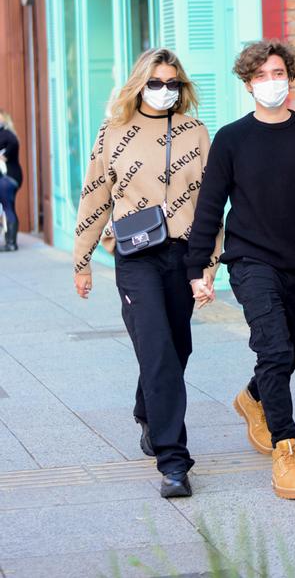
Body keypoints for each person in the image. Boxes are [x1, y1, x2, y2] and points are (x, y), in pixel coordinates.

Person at [185, 39, 295, 500]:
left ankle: (252, 397)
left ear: (290, 77)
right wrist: (198, 268)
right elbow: (209, 209)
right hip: (249, 261)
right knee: (276, 349)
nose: (271, 82)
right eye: (261, 76)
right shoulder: (231, 139)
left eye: (278, 73)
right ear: (247, 84)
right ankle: (286, 449)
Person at [73, 48, 222, 498]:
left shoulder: (196, 133)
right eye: (155, 83)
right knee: (157, 349)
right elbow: (95, 197)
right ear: (139, 84)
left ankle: (146, 410)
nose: (164, 91)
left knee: (177, 348)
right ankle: (173, 461)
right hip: (136, 257)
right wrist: (81, 262)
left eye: (172, 83)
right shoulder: (113, 132)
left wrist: (208, 267)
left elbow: (211, 205)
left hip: (184, 255)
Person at [0, 109, 23, 252]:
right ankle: (10, 241)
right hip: (11, 179)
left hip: (8, 179)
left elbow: (13, 144)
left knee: (8, 207)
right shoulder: (8, 135)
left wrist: (4, 155)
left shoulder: (7, 135)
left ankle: (11, 243)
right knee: (9, 207)